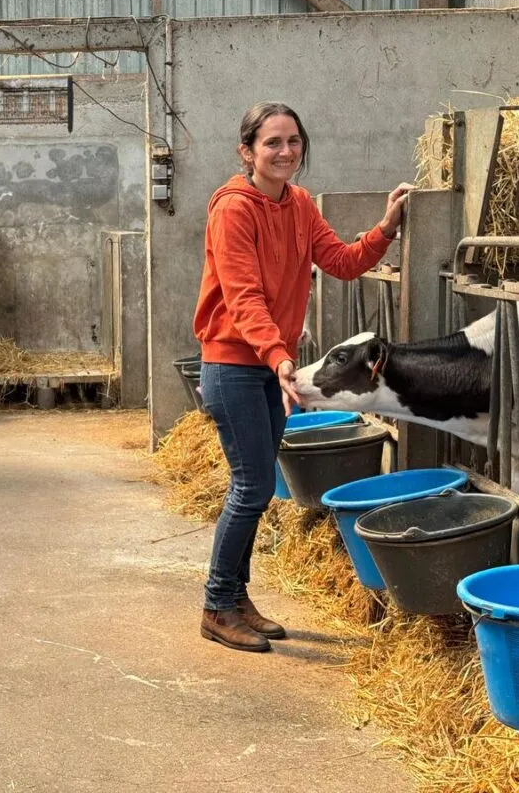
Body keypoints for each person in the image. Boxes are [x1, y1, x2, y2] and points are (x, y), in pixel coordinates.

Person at [192, 101, 413, 653]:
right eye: (272, 143)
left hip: (270, 367)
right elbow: (242, 296)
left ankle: (236, 598)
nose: (286, 151)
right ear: (248, 152)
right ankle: (218, 605)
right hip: (235, 366)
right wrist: (278, 355)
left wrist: (384, 229)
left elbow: (339, 260)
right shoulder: (233, 209)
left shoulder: (300, 205)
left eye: (293, 141)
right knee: (252, 488)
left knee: (257, 487)